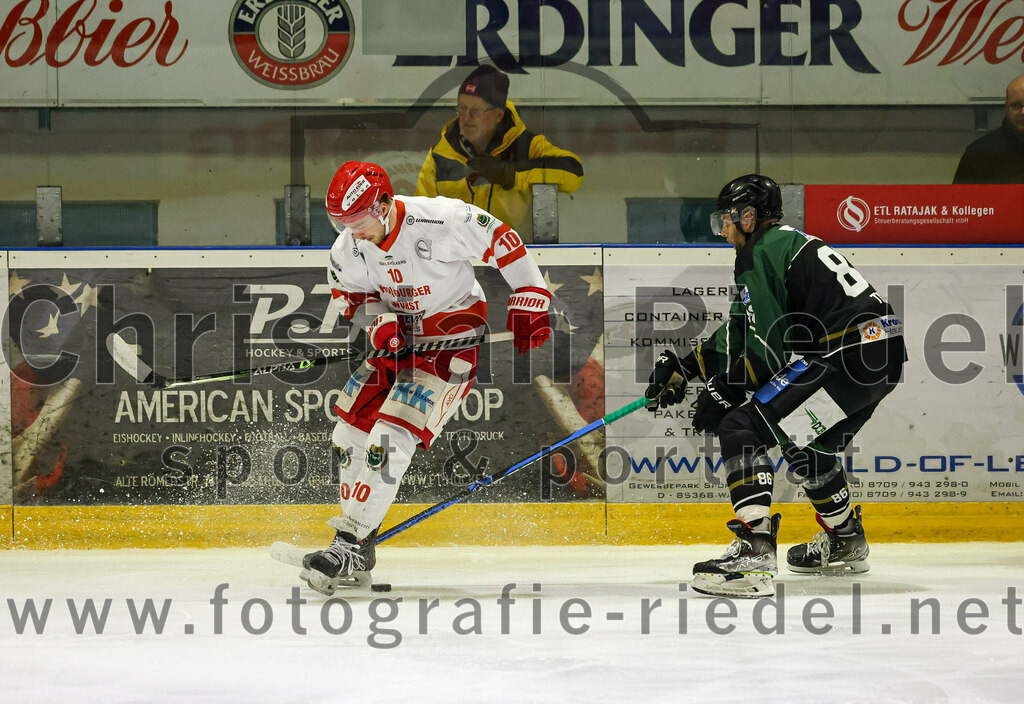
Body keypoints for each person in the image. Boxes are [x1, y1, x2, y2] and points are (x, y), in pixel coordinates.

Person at [644, 174, 907, 599]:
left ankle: (754, 553)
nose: (723, 230)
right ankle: (846, 541)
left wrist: (725, 389)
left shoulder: (758, 252)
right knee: (806, 445)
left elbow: (767, 351)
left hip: (844, 355)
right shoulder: (784, 244)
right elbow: (739, 332)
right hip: (881, 356)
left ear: (748, 217)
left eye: (725, 220)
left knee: (740, 429)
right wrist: (687, 368)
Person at [302, 161, 553, 595]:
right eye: (339, 222)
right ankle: (360, 548)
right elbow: (349, 295)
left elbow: (502, 240)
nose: (350, 231)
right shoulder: (349, 246)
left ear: (383, 205)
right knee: (348, 437)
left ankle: (348, 542)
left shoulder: (439, 218)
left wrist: (530, 292)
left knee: (389, 439)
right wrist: (378, 323)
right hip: (397, 342)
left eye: (357, 220)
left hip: (449, 340)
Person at [414, 65, 584, 240]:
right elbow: (420, 215)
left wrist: (509, 173)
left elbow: (574, 173)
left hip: (512, 257)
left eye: (476, 110)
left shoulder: (527, 145)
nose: (465, 117)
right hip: (457, 260)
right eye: (462, 108)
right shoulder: (440, 153)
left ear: (498, 115)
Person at [953, 73, 1024, 184]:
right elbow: (959, 200)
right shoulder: (979, 153)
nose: (1023, 112)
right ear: (1006, 108)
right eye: (1016, 106)